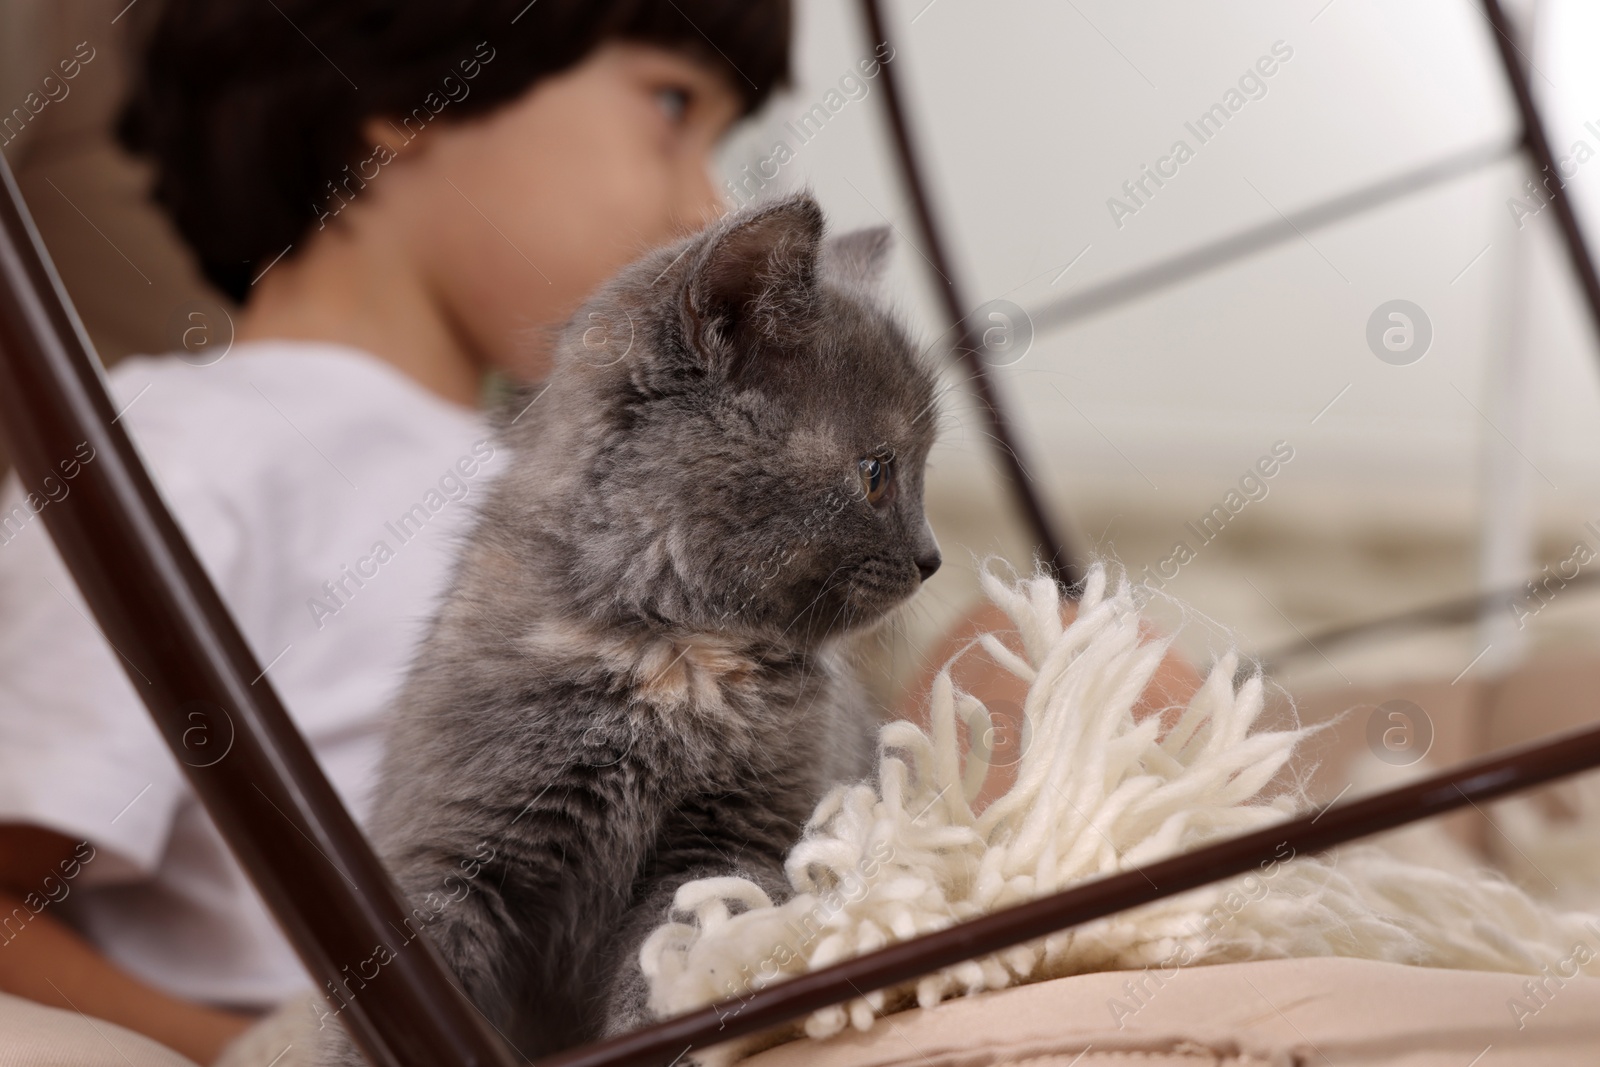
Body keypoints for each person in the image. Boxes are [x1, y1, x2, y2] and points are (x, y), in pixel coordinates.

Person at [0, 2, 1196, 1062]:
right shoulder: (178, 449)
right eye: (670, 108)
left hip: (682, 954)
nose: (704, 199)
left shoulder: (558, 459)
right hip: (389, 1009)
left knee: (1067, 653)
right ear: (418, 91)